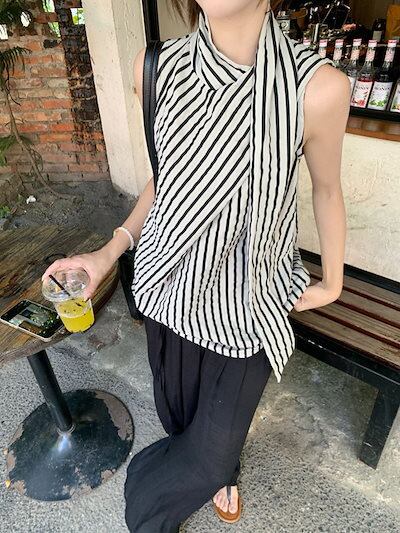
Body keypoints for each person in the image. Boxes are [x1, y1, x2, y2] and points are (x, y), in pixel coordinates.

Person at [42, 0, 349, 531]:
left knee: (207, 456)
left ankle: (162, 501)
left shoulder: (318, 87)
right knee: (177, 417)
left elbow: (327, 188)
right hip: (168, 291)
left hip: (250, 302)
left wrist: (334, 281)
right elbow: (166, 181)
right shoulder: (153, 68)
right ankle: (221, 473)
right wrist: (108, 252)